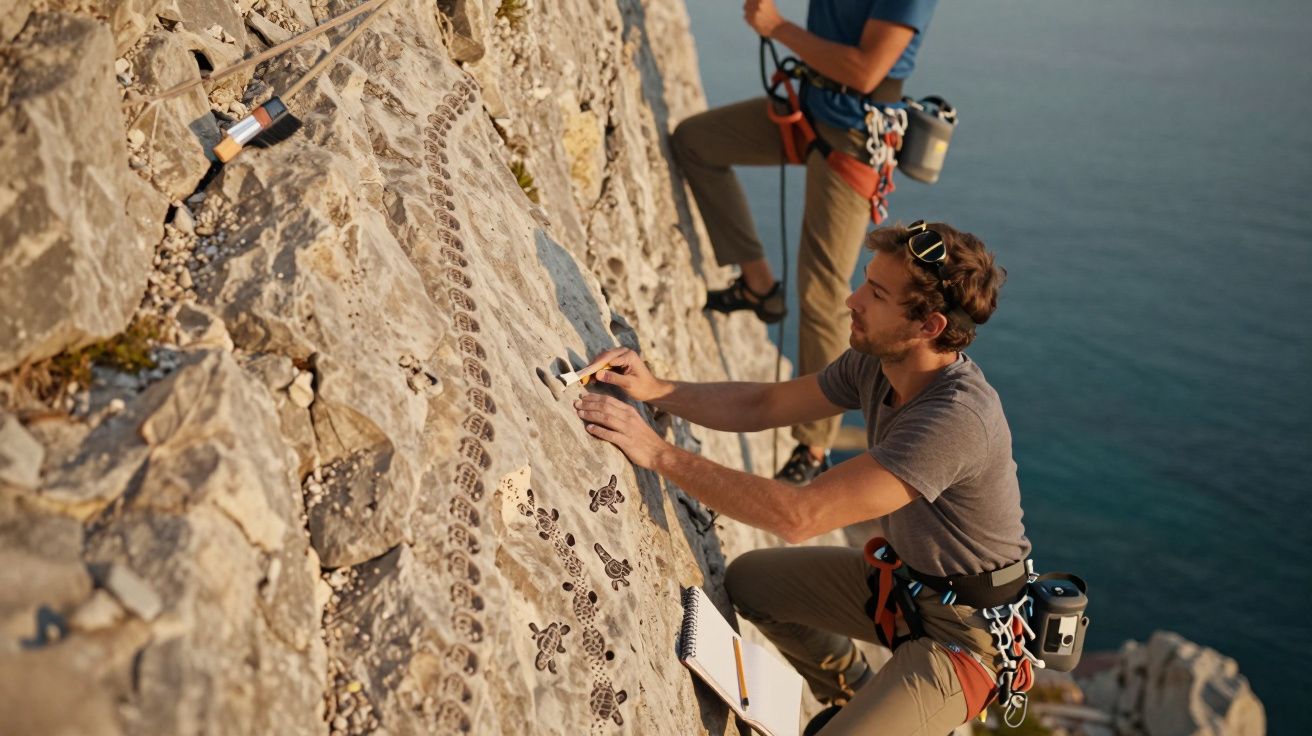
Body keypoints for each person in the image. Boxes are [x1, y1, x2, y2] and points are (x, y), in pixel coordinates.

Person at [574, 221, 1030, 735]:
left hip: (965, 639)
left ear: (929, 326)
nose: (852, 300)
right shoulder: (876, 363)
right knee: (751, 584)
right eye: (865, 281)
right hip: (906, 588)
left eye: (876, 294)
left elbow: (799, 516)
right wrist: (657, 389)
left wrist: (658, 453)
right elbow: (766, 404)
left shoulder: (956, 420)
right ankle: (853, 692)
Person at [671, 0, 940, 484]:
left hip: (857, 135)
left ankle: (814, 448)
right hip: (810, 108)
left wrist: (777, 27)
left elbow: (866, 70)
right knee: (697, 140)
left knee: (823, 292)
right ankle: (759, 286)